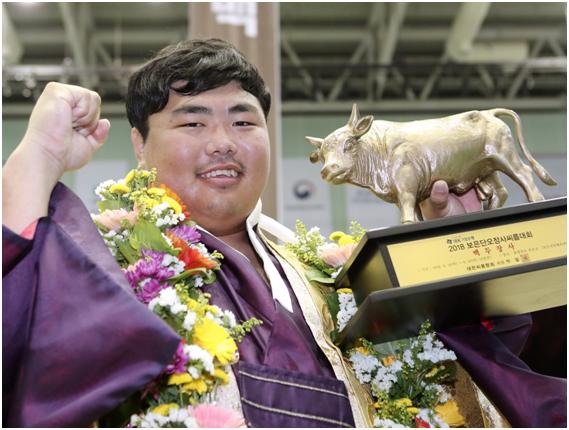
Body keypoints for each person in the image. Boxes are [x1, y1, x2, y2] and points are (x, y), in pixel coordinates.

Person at [3, 39, 565, 428]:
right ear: (140, 145)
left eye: (244, 121)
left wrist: (452, 253)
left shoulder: (333, 275)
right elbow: (21, 319)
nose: (223, 141)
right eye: (193, 121)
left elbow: (476, 360)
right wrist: (39, 157)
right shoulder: (103, 261)